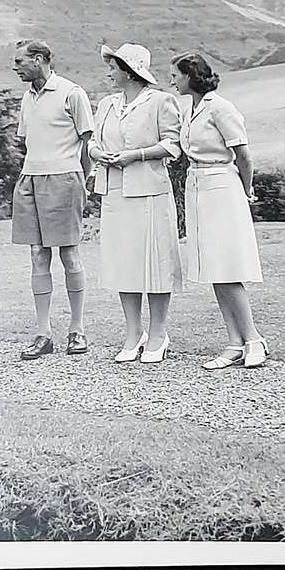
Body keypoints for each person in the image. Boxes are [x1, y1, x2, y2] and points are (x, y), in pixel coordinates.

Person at [170, 51, 270, 369]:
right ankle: (234, 343)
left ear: (191, 75)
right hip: (197, 185)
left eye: (176, 74)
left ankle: (254, 339)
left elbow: (244, 155)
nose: (172, 79)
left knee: (227, 266)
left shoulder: (221, 108)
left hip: (222, 185)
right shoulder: (191, 109)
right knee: (215, 267)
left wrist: (246, 189)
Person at [90, 43, 183, 364]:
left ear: (129, 71)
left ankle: (158, 332)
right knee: (123, 262)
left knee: (156, 263)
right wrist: (97, 153)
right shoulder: (106, 104)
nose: (109, 72)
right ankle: (133, 332)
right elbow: (92, 142)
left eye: (113, 67)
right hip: (115, 192)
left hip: (150, 193)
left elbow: (174, 145)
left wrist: (136, 155)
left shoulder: (161, 102)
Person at [10, 38, 96, 360]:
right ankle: (43, 333)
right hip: (30, 178)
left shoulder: (72, 93)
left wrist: (81, 180)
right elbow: (26, 142)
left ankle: (77, 330)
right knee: (37, 254)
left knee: (69, 254)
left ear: (40, 59)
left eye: (20, 61)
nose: (15, 66)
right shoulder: (27, 97)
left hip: (65, 179)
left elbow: (89, 143)